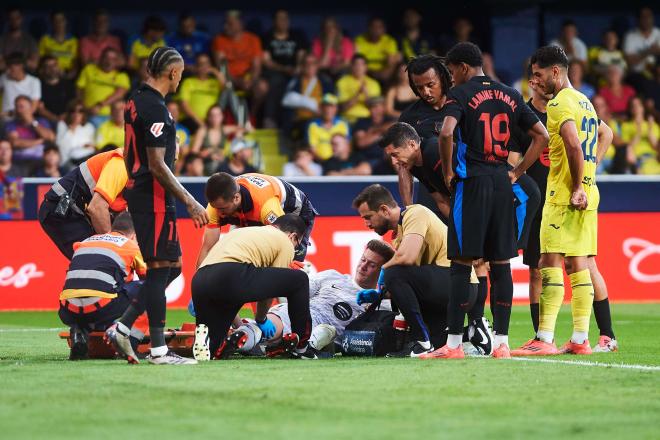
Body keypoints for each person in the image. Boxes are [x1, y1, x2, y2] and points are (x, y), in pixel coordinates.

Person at [433, 42, 548, 359]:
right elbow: (542, 136)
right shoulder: (510, 94)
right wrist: (519, 170)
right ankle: (502, 344)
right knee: (501, 266)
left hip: (472, 185)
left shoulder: (460, 94)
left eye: (451, 70)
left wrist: (446, 172)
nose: (450, 77)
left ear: (463, 67)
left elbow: (446, 133)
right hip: (502, 183)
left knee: (460, 263)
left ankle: (454, 345)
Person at [106, 46, 209, 365]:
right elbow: (156, 165)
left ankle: (122, 327)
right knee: (160, 267)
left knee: (172, 267)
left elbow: (128, 153)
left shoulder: (135, 99)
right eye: (181, 73)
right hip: (154, 196)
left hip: (144, 192)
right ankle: (159, 351)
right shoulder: (157, 110)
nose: (181, 78)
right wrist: (190, 201)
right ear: (173, 73)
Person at [511, 45, 613, 357]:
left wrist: (576, 185)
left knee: (549, 262)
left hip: (562, 193)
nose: (536, 81)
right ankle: (581, 338)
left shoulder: (559, 104)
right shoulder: (585, 101)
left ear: (556, 71)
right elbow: (598, 138)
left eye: (539, 75)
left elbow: (571, 143)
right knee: (579, 262)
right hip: (588, 193)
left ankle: (544, 338)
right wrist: (587, 181)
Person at [352, 184, 483, 357]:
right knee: (438, 344)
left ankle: (422, 342)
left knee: (394, 273)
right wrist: (381, 294)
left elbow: (408, 258)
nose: (367, 223)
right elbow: (408, 286)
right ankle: (472, 334)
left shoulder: (415, 213)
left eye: (368, 217)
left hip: (460, 284)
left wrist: (385, 271)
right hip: (443, 290)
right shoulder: (399, 237)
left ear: (384, 210)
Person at [229, 240, 396, 356]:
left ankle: (244, 338)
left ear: (382, 271)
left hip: (326, 334)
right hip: (298, 315)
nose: (363, 266)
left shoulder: (380, 304)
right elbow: (297, 293)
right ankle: (242, 336)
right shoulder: (332, 276)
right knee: (265, 326)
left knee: (324, 331)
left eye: (372, 265)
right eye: (363, 259)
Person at [191, 214, 315, 360]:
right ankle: (300, 347)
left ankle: (208, 340)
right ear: (293, 236)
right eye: (297, 244)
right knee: (299, 280)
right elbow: (271, 288)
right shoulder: (284, 241)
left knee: (213, 346)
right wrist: (261, 319)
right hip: (231, 275)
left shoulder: (246, 232)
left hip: (200, 280)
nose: (295, 248)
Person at [58, 212, 147, 360]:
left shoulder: (84, 242)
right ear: (134, 234)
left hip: (67, 310)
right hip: (102, 307)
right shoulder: (130, 245)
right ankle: (127, 340)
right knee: (149, 290)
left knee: (96, 294)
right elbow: (150, 278)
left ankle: (79, 332)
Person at [198, 172, 317, 266]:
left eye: (222, 209)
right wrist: (198, 286)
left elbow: (282, 245)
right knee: (234, 255)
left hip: (294, 214)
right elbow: (208, 248)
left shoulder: (267, 207)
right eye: (215, 208)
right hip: (251, 211)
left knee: (287, 265)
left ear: (236, 198)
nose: (218, 213)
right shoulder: (216, 206)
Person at [38, 147, 127, 258]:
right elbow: (96, 208)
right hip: (61, 207)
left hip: (79, 209)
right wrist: (112, 247)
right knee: (98, 259)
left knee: (101, 259)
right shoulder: (121, 164)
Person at [261, 9, 309, 127]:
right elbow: (267, 61)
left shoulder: (296, 36)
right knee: (276, 81)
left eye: (286, 18)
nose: (283, 21)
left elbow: (301, 55)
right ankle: (270, 118)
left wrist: (297, 68)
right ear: (274, 21)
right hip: (274, 71)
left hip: (295, 71)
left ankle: (297, 120)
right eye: (280, 18)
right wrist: (284, 69)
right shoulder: (267, 37)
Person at [212, 11, 265, 100]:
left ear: (240, 24)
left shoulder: (253, 39)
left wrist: (251, 81)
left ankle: (252, 113)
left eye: (230, 24)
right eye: (225, 23)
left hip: (248, 79)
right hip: (228, 79)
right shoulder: (219, 40)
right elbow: (221, 67)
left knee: (262, 87)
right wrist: (237, 81)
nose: (225, 27)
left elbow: (257, 66)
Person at [76, 47, 130, 124]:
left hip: (110, 117)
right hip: (87, 114)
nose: (109, 61)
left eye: (113, 59)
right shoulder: (89, 70)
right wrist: (83, 107)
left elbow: (120, 93)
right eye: (106, 57)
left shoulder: (121, 76)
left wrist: (99, 105)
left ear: (117, 62)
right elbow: (79, 89)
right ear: (101, 58)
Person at [6, 95, 55, 175]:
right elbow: (15, 143)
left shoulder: (42, 122)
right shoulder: (12, 124)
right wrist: (39, 141)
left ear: (31, 109)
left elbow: (50, 137)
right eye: (16, 107)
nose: (18, 110)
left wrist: (32, 122)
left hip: (40, 161)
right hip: (19, 161)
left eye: (21, 107)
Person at [282, 53, 335, 125]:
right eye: (307, 63)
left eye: (313, 63)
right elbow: (287, 99)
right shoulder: (295, 81)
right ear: (302, 66)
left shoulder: (325, 81)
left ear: (317, 65)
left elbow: (332, 101)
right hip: (300, 121)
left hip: (320, 120)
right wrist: (312, 105)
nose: (310, 66)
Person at [178, 53, 225, 130]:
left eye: (206, 63)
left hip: (213, 120)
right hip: (192, 120)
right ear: (196, 67)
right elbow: (184, 105)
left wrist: (215, 71)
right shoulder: (188, 82)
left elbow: (226, 89)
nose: (204, 66)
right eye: (201, 64)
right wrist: (199, 121)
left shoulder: (215, 82)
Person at [336, 54, 382, 124]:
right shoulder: (342, 82)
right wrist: (358, 94)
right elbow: (342, 108)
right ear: (351, 66)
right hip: (348, 119)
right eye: (356, 64)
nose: (358, 67)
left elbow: (377, 110)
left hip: (368, 120)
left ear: (366, 67)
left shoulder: (374, 84)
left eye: (361, 65)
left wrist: (366, 94)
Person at [621, 95, 660, 175]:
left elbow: (655, 146)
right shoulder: (626, 125)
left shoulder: (653, 125)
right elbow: (629, 147)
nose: (636, 108)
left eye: (638, 105)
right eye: (633, 106)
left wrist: (650, 129)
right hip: (636, 159)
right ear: (630, 109)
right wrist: (638, 130)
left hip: (652, 158)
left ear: (643, 108)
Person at [354, 17, 400, 83]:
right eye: (373, 27)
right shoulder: (359, 40)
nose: (375, 30)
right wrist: (372, 73)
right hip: (366, 73)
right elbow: (357, 63)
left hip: (384, 75)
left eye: (379, 27)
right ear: (368, 28)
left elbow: (391, 65)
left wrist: (380, 74)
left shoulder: (389, 41)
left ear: (384, 29)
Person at [305, 93, 350, 161]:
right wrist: (324, 163)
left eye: (332, 106)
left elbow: (347, 147)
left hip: (340, 162)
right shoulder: (313, 125)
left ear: (336, 108)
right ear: (321, 108)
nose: (328, 110)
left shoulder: (343, 124)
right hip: (319, 162)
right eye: (326, 106)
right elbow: (312, 149)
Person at [353, 96, 395, 166]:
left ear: (383, 108)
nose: (373, 110)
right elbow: (361, 143)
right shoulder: (362, 122)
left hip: (386, 159)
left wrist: (374, 130)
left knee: (396, 161)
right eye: (371, 107)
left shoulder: (389, 119)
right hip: (367, 159)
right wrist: (381, 133)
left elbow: (395, 126)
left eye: (376, 107)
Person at [623, 7, 660, 82]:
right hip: (638, 74)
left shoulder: (658, 33)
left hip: (656, 72)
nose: (646, 20)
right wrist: (648, 51)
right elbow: (630, 62)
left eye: (649, 16)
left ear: (652, 18)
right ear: (638, 20)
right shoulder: (630, 36)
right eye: (643, 17)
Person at [55, 100, 96, 168]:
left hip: (85, 160)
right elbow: (60, 146)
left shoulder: (89, 127)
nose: (76, 114)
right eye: (73, 111)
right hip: (67, 162)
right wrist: (70, 130)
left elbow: (92, 147)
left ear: (84, 114)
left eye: (80, 111)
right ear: (69, 113)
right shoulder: (62, 125)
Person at [38, 11, 78, 77]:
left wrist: (72, 73)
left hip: (67, 73)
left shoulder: (74, 41)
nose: (58, 23)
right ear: (51, 23)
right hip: (49, 72)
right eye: (55, 20)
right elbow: (40, 59)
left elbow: (75, 60)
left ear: (65, 22)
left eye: (61, 20)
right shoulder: (45, 39)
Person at [38, 55, 75, 123]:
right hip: (47, 120)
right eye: (48, 66)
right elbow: (40, 109)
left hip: (66, 118)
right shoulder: (38, 85)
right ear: (42, 70)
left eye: (54, 65)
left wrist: (65, 116)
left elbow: (73, 104)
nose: (52, 68)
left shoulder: (68, 84)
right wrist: (55, 118)